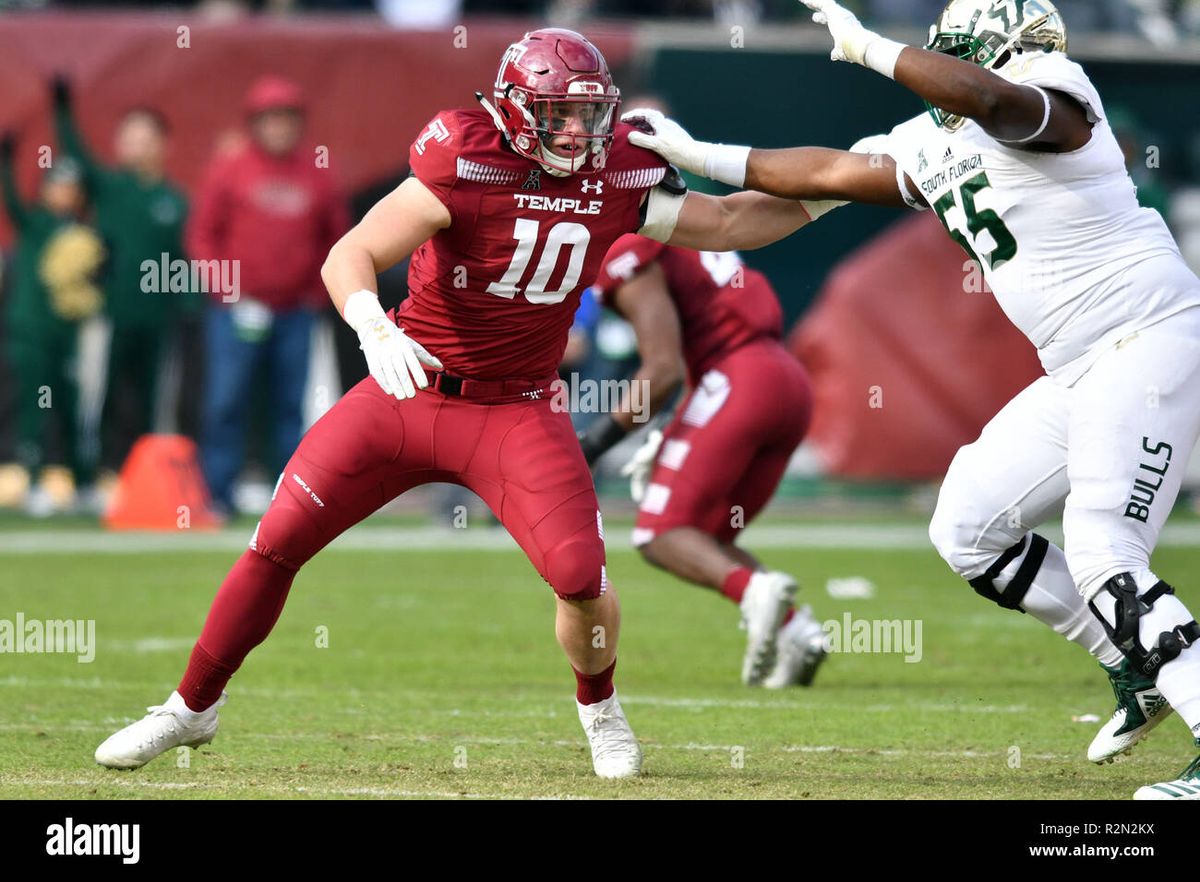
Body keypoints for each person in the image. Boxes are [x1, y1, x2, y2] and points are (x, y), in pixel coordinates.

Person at [92, 28, 847, 779]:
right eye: (561, 114)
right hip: (409, 390)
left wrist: (843, 189)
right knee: (277, 537)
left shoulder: (616, 174)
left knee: (581, 576)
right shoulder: (465, 156)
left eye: (591, 115)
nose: (580, 133)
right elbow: (348, 254)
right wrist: (372, 323)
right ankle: (190, 708)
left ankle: (600, 707)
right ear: (516, 109)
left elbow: (733, 221)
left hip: (515, 409)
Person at [627, 0, 1200, 799]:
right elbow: (770, 202)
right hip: (1080, 365)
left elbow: (995, 102)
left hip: (1149, 335)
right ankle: (1132, 665)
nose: (1028, 58)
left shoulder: (1051, 91)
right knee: (967, 524)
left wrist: (869, 49)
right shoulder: (926, 146)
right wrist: (672, 181)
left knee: (1104, 545)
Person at [583, 235, 827, 687]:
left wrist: (592, 444)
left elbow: (662, 370)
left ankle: (755, 591)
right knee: (706, 536)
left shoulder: (625, 243)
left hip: (737, 380)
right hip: (782, 378)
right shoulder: (682, 216)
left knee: (660, 534)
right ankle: (798, 631)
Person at [187, 75, 350, 515]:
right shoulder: (230, 168)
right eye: (270, 119)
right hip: (237, 310)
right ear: (254, 123)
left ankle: (289, 499)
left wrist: (316, 295)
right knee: (226, 401)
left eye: (286, 119)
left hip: (294, 312)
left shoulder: (318, 173)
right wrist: (230, 292)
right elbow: (203, 236)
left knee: (289, 406)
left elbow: (339, 240)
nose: (279, 128)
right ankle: (217, 495)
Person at [52, 78, 191, 484]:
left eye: (142, 137)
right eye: (127, 136)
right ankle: (93, 473)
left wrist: (187, 302)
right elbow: (75, 152)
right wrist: (62, 110)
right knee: (104, 391)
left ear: (161, 143)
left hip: (156, 317)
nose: (133, 144)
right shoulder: (111, 188)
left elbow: (182, 260)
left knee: (150, 398)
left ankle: (142, 478)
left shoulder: (174, 200)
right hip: (111, 312)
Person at [1, 135, 106, 513]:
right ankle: (32, 483)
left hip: (67, 338)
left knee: (71, 407)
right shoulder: (35, 224)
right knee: (34, 409)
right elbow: (12, 201)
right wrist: (7, 164)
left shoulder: (84, 233)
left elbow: (93, 283)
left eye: (71, 188)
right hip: (31, 336)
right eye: (58, 186)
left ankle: (82, 483)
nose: (64, 194)